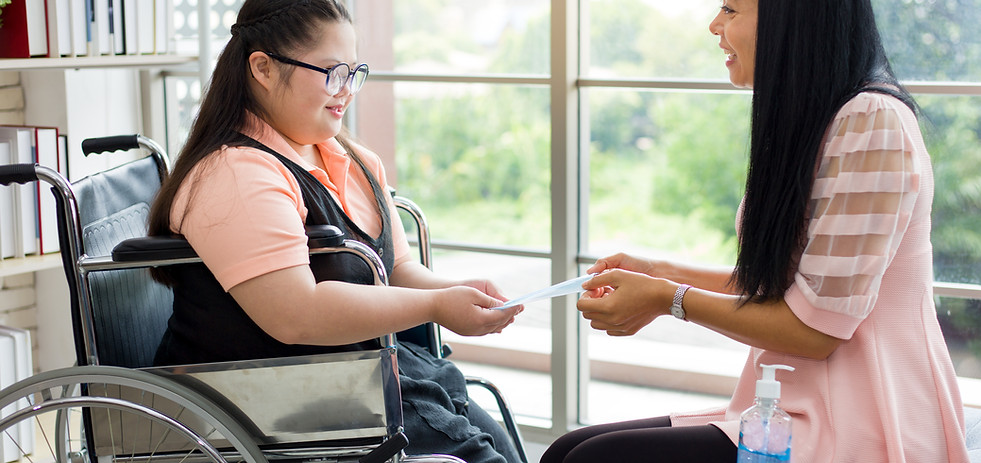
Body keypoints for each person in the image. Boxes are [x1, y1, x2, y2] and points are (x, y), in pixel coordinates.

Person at [541, 0, 970, 462]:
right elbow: (788, 288)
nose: (714, 25)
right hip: (789, 408)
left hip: (860, 421)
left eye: (730, 9)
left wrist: (667, 298)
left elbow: (814, 329)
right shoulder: (815, 118)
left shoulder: (872, 121)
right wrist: (656, 272)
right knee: (570, 448)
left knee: (592, 458)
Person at [145, 1, 523, 462]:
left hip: (366, 381)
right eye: (331, 72)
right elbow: (296, 313)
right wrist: (437, 305)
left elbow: (398, 268)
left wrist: (460, 292)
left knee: (500, 446)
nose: (347, 90)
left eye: (353, 72)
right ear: (262, 68)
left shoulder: (351, 157)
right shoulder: (235, 174)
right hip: (278, 399)